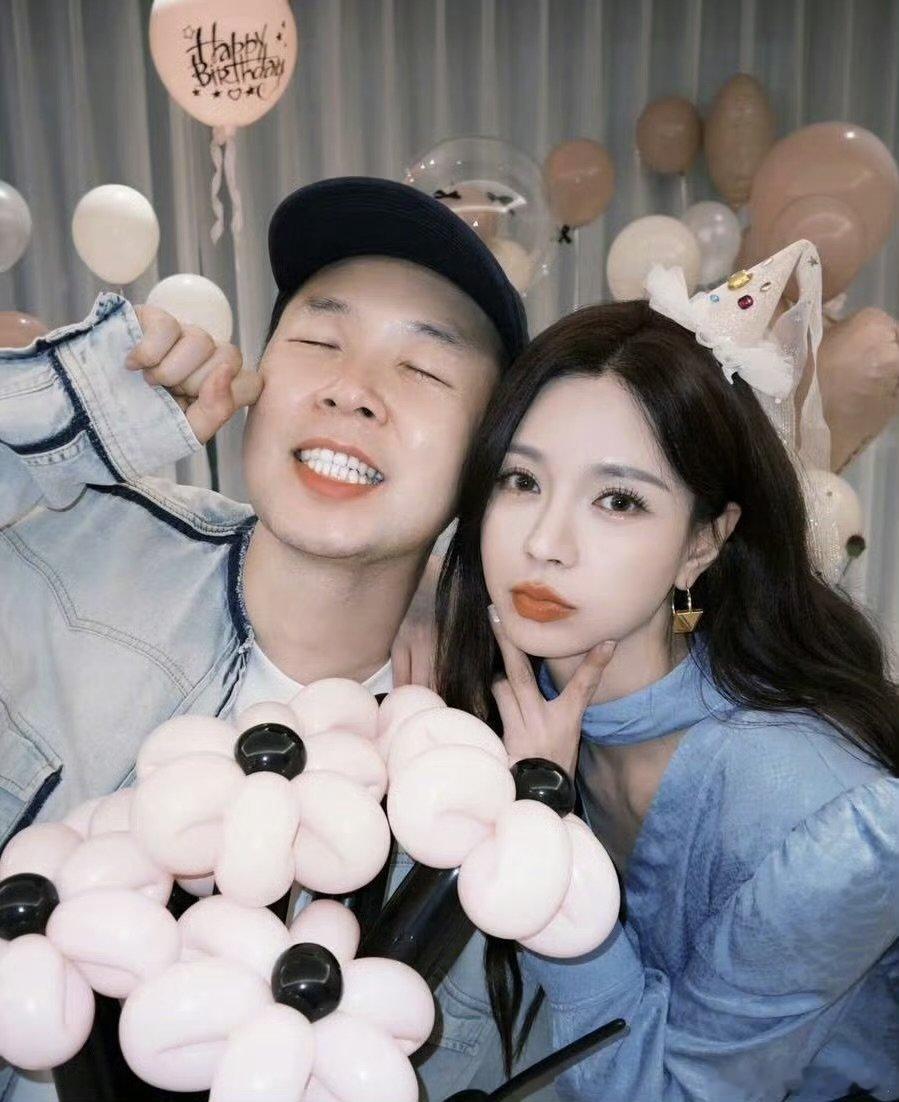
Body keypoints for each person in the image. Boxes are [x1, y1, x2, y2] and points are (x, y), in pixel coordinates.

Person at [0, 177, 543, 1100]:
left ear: (486, 454)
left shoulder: (479, 770)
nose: (351, 391)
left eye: (423, 370)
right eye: (319, 342)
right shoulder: (73, 540)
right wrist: (82, 405)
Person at [435, 243, 899, 1100]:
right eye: (520, 480)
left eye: (617, 500)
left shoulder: (812, 811)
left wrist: (547, 836)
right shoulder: (511, 695)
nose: (544, 543)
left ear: (702, 543)